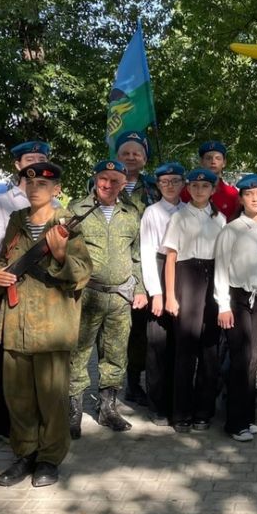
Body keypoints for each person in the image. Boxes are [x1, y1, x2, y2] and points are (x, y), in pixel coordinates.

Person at [0, 162, 92, 488]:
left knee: (52, 398)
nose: (35, 190)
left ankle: (49, 457)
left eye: (44, 185)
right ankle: (25, 454)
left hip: (52, 323)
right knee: (18, 397)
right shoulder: (17, 221)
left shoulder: (67, 225)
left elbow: (83, 271)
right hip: (16, 322)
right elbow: (3, 261)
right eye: (30, 184)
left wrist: (60, 256)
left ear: (56, 190)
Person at [68, 160, 148, 438]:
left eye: (115, 180)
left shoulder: (131, 213)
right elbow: (63, 253)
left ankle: (108, 408)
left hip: (119, 298)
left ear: (123, 183)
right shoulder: (77, 211)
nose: (108, 185)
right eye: (103, 178)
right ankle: (73, 410)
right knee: (78, 353)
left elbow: (137, 256)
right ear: (95, 178)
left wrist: (139, 289)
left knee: (115, 354)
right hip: (85, 294)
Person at [0, 140, 52, 436]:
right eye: (29, 159)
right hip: (7, 293)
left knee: (35, 360)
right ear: (18, 166)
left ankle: (35, 421)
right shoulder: (3, 204)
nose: (35, 163)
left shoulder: (56, 206)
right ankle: (2, 422)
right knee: (5, 359)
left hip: (42, 298)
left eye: (41, 158)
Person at [214, 174, 257, 442]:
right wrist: (223, 305)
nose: (255, 198)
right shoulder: (231, 230)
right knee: (240, 359)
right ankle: (234, 423)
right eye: (249, 194)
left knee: (253, 359)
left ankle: (247, 417)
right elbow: (221, 269)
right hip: (237, 299)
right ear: (241, 198)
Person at [163, 168, 227, 433]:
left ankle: (204, 411)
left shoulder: (221, 219)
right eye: (196, 186)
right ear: (188, 189)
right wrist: (170, 296)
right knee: (185, 350)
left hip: (214, 279)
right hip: (186, 280)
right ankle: (181, 413)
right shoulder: (179, 217)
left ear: (213, 190)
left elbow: (225, 259)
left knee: (209, 349)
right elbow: (170, 258)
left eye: (206, 186)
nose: (200, 191)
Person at [140, 161, 186, 426]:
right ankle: (157, 405)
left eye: (175, 181)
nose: (170, 186)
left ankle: (176, 401)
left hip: (183, 273)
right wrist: (156, 292)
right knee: (158, 343)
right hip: (158, 269)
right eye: (164, 182)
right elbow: (147, 254)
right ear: (158, 185)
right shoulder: (152, 213)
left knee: (181, 343)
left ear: (183, 184)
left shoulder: (188, 211)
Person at [114, 130, 158, 406]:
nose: (131, 157)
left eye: (136, 153)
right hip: (113, 268)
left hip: (146, 269)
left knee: (140, 332)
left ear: (144, 159)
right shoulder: (103, 184)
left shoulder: (154, 187)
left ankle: (133, 382)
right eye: (125, 153)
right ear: (117, 157)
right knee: (113, 332)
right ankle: (108, 388)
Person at [181, 141, 240, 221]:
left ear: (224, 163)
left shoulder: (232, 193)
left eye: (218, 158)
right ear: (201, 162)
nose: (213, 162)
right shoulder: (187, 191)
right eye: (208, 158)